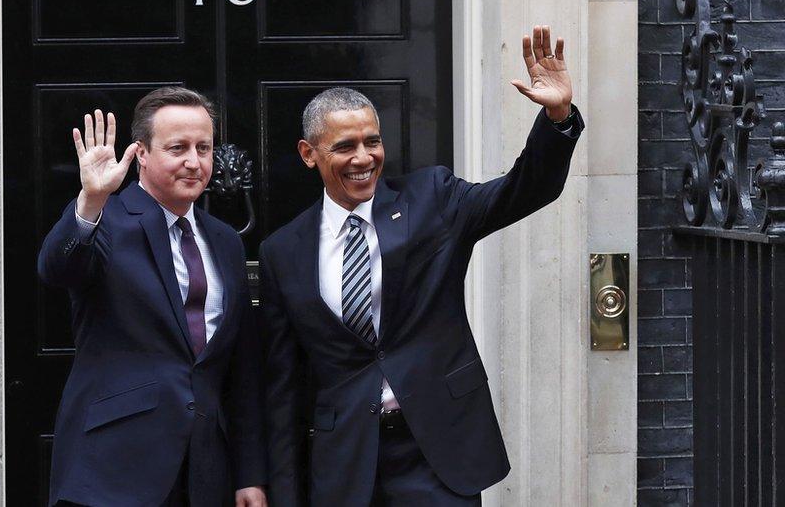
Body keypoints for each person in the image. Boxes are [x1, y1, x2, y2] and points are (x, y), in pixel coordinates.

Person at [259, 25, 584, 506]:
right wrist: (282, 491)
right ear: (309, 154)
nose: (363, 158)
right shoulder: (282, 250)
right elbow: (282, 385)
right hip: (343, 461)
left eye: (372, 141)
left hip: (435, 452)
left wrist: (557, 117)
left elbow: (525, 189)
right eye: (344, 146)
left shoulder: (432, 198)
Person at [38, 87, 267, 507]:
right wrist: (91, 200)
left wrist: (248, 474)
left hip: (204, 471)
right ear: (141, 154)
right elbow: (56, 268)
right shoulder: (106, 219)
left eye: (204, 148)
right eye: (177, 148)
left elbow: (241, 369)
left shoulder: (224, 241)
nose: (194, 162)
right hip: (114, 468)